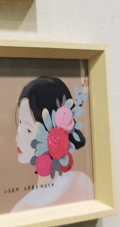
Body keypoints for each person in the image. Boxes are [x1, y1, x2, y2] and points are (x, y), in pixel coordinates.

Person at [12, 76, 94, 212]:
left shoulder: (81, 184)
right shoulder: (19, 210)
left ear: (53, 130)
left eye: (28, 129)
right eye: (19, 124)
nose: (17, 138)